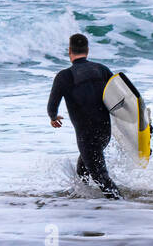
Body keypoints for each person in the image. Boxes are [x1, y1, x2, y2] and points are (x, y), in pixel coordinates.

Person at [48, 33, 121, 198]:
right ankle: (86, 203)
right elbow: (122, 96)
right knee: (83, 169)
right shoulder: (101, 69)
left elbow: (52, 106)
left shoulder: (64, 76)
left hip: (87, 135)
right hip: (104, 133)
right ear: (87, 50)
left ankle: (122, 205)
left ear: (69, 51)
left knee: (100, 177)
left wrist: (53, 118)